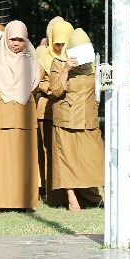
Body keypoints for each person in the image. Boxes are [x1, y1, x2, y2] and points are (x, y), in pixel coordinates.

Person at [0, 20, 40, 212]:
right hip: (3, 113)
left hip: (24, 113)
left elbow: (36, 83)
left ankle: (25, 201)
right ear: (6, 38)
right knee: (1, 158)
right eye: (12, 39)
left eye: (20, 40)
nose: (16, 43)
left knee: (25, 158)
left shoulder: (32, 58)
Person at [49, 28, 104, 211]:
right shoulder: (58, 64)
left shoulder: (92, 65)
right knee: (67, 160)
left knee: (94, 158)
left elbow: (98, 92)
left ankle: (96, 196)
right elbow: (56, 91)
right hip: (67, 119)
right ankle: (72, 198)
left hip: (88, 118)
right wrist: (66, 69)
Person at [37, 18, 74, 204]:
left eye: (63, 43)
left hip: (70, 110)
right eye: (56, 43)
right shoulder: (43, 57)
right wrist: (50, 89)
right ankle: (47, 188)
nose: (59, 48)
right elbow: (38, 80)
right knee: (47, 151)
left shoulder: (76, 56)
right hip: (47, 109)